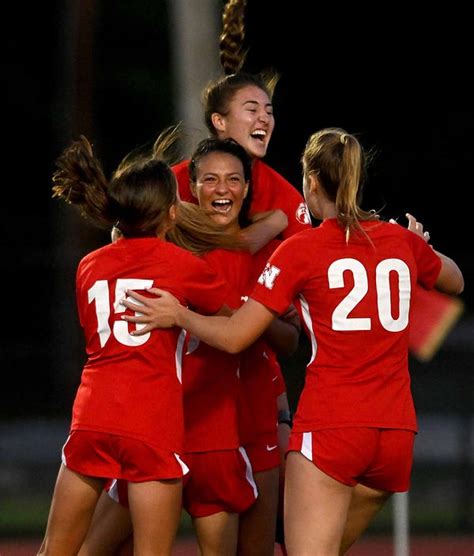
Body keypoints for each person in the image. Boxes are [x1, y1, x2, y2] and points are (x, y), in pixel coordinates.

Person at [119, 127, 464, 555]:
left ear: (312, 182)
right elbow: (455, 279)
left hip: (333, 428)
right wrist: (417, 243)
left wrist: (178, 314)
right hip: (396, 432)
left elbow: (234, 338)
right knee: (321, 544)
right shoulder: (400, 241)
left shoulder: (302, 250)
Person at [77, 137, 299, 556]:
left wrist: (256, 311)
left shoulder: (266, 253)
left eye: (234, 179)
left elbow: (286, 340)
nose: (222, 189)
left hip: (236, 426)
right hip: (161, 426)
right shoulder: (169, 249)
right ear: (190, 188)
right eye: (211, 179)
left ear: (246, 188)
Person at [38, 131, 236, 556]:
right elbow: (232, 325)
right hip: (150, 421)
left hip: (92, 414)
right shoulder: (186, 266)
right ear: (170, 213)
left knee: (55, 549)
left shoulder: (89, 266)